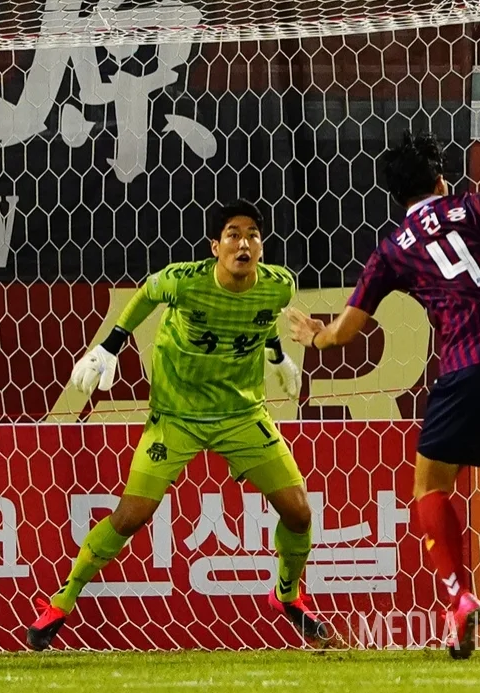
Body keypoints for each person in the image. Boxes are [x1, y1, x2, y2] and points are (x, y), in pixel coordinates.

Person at [287, 133, 480, 658]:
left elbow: (344, 332)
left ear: (397, 195)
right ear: (440, 178)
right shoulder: (475, 204)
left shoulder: (391, 249)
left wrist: (314, 336)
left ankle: (460, 599)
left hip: (466, 361)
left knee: (430, 484)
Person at [25, 201, 335, 650]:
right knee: (131, 516)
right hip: (176, 417)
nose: (243, 243)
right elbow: (146, 294)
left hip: (242, 415)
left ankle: (287, 595)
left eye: (252, 234)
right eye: (232, 234)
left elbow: (262, 317)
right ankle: (61, 601)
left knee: (299, 511)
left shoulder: (279, 286)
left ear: (261, 246)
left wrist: (276, 356)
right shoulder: (184, 280)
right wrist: (109, 347)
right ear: (215, 247)